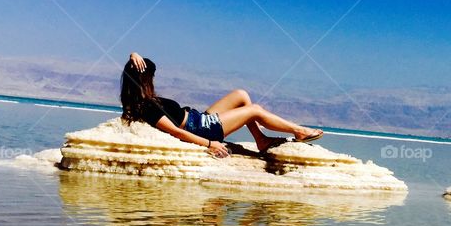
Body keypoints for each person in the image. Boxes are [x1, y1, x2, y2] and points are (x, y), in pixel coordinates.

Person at [120, 52, 323, 158]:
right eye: (150, 76)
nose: (153, 80)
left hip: (199, 118)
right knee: (254, 111)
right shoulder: (145, 106)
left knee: (241, 94)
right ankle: (299, 130)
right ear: (144, 79)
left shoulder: (143, 102)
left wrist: (133, 53)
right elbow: (176, 132)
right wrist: (210, 144)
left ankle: (261, 140)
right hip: (202, 129)